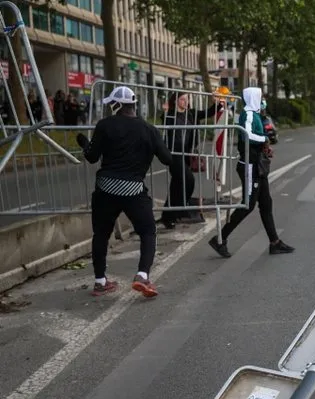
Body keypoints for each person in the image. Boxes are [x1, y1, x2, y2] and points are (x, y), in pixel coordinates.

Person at [76, 86, 173, 298]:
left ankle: (100, 282)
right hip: (133, 190)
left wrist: (84, 142)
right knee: (147, 231)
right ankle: (142, 275)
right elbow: (167, 158)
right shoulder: (149, 129)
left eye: (112, 104)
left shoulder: (105, 126)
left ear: (117, 105)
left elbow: (92, 157)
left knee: (101, 234)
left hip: (106, 188)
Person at [208, 86, 294, 258]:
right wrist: (263, 139)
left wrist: (264, 146)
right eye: (259, 96)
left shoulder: (254, 114)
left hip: (257, 165)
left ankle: (274, 242)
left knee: (266, 204)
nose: (262, 99)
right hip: (249, 165)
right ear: (253, 97)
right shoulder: (247, 114)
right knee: (248, 205)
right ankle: (220, 238)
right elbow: (246, 134)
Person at [160, 92, 221, 229]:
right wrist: (165, 111)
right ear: (175, 101)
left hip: (187, 154)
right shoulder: (170, 114)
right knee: (188, 181)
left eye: (187, 99)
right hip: (173, 154)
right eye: (182, 99)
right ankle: (180, 210)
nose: (185, 102)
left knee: (176, 185)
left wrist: (217, 102)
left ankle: (168, 216)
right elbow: (165, 125)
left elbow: (208, 112)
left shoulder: (191, 113)